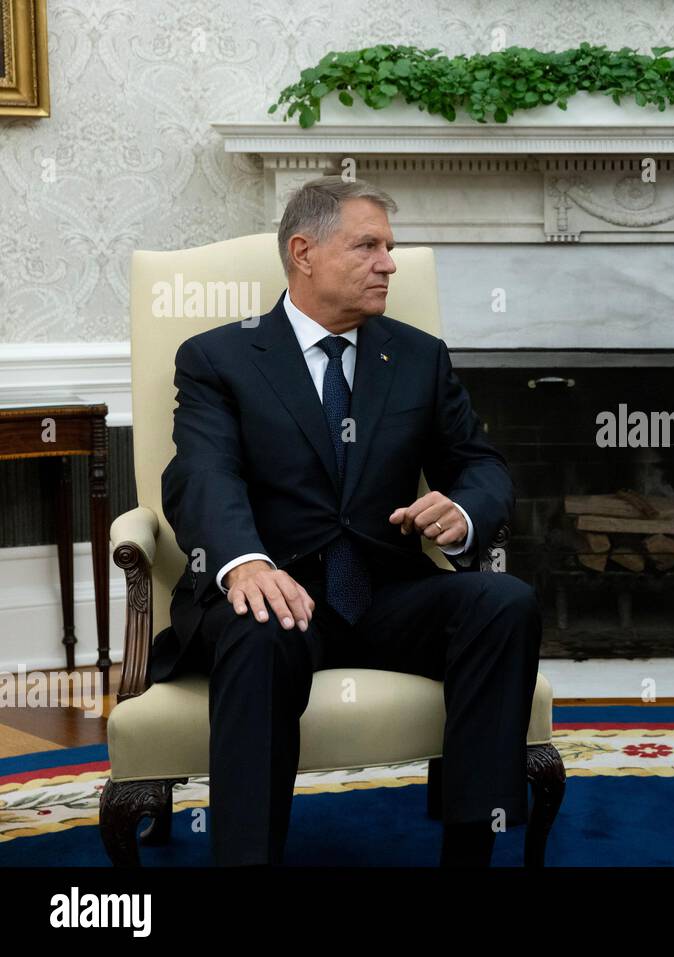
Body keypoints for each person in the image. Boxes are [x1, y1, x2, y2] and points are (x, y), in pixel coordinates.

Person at [149, 175, 541, 867]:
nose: (389, 262)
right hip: (275, 596)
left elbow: (481, 464)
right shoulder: (219, 358)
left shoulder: (417, 356)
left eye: (390, 248)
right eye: (368, 245)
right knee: (259, 622)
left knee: (502, 602)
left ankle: (471, 847)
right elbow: (202, 477)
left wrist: (461, 508)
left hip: (387, 593)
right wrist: (245, 560)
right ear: (304, 251)